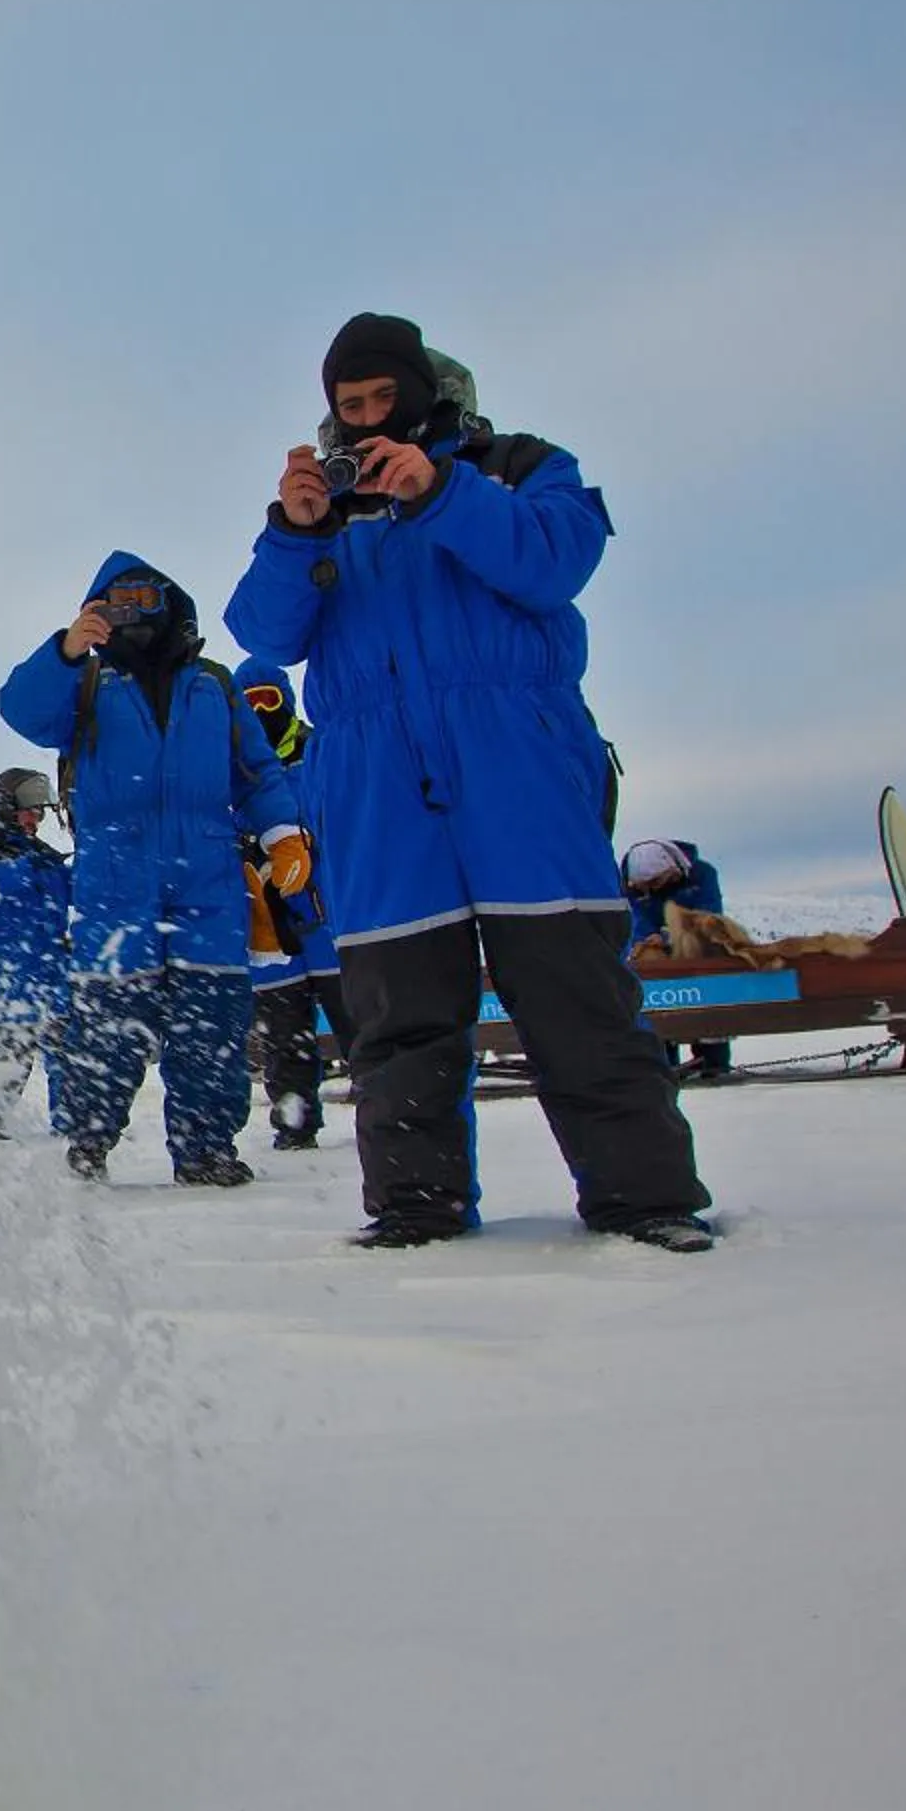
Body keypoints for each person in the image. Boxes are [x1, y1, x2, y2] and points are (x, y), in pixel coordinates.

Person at [224, 314, 712, 1253]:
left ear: (424, 393)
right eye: (348, 405)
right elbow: (268, 633)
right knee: (398, 1019)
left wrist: (442, 491)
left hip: (518, 769)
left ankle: (644, 1198)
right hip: (377, 789)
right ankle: (416, 1206)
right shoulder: (328, 507)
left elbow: (556, 563)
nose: (366, 419)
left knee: (577, 1000)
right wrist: (292, 530)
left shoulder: (519, 466)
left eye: (382, 399)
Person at [0, 555, 306, 1186]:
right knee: (108, 1026)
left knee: (211, 1024)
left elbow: (256, 770)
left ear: (173, 604)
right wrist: (64, 649)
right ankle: (89, 1139)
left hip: (209, 877)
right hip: (116, 878)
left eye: (145, 596)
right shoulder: (84, 684)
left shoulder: (213, 685)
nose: (132, 609)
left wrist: (281, 833)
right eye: (116, 600)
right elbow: (21, 712)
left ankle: (205, 1149)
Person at [233, 660, 354, 1150]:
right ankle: (294, 1125)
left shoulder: (322, 752)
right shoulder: (232, 773)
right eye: (251, 702)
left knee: (362, 1025)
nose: (263, 710)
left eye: (269, 698)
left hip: (331, 923)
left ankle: (387, 1111)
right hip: (272, 931)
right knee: (285, 1039)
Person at [0, 767, 73, 1138]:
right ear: (7, 806)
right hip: (11, 962)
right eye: (30, 810)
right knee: (14, 1038)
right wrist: (26, 868)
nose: (35, 819)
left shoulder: (42, 854)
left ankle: (71, 1126)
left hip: (54, 959)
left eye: (41, 812)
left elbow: (74, 890)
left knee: (66, 1042)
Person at [621, 836, 733, 1076]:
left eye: (656, 882)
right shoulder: (628, 887)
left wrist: (672, 935)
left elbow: (709, 916)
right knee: (651, 978)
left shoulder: (702, 875)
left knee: (708, 986)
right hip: (655, 957)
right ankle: (664, 1060)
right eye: (644, 886)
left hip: (697, 951)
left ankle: (713, 1061)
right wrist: (648, 938)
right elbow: (635, 919)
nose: (650, 890)